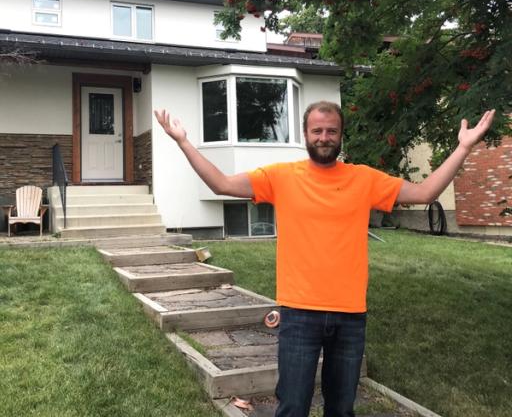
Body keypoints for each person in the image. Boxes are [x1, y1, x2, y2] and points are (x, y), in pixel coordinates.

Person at [154, 101, 495, 417]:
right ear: (305, 134)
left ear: (340, 135)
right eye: (317, 131)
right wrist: (184, 142)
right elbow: (222, 184)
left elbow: (424, 192)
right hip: (299, 313)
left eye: (331, 131)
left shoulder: (364, 178)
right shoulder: (281, 177)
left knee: (342, 408)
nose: (324, 137)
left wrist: (464, 147)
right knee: (292, 406)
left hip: (350, 315)